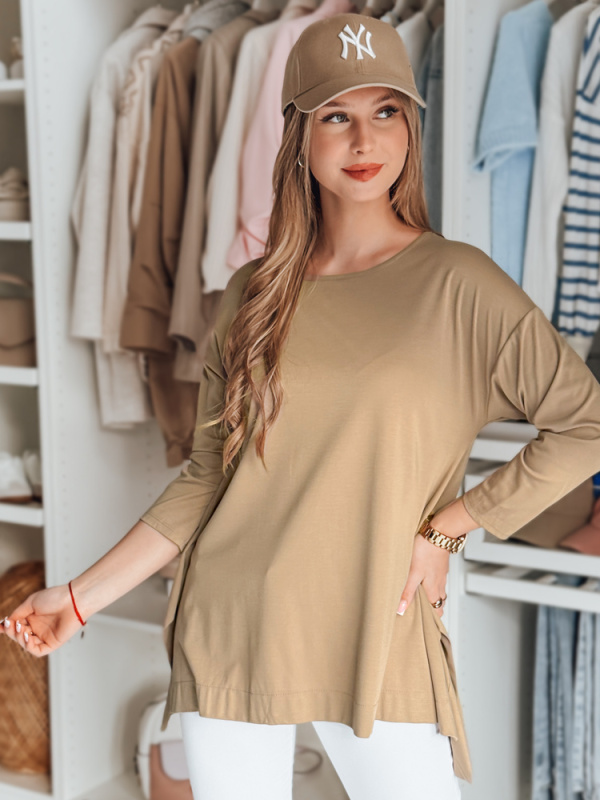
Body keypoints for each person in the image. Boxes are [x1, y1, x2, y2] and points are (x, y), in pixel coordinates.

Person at [4, 11, 600, 800]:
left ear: (410, 127)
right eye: (336, 117)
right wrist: (78, 599)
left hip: (381, 629)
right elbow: (207, 478)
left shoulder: (461, 285)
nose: (365, 140)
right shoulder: (253, 294)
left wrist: (451, 528)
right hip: (234, 623)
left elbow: (585, 425)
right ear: (298, 136)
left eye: (386, 111)